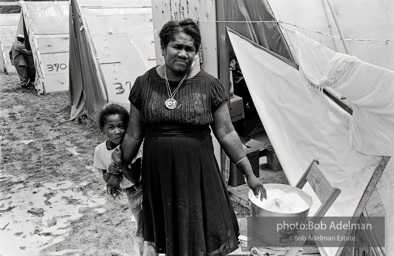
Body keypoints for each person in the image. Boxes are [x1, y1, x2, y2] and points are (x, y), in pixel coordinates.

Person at [117, 18, 267, 256]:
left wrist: (250, 174)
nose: (183, 53)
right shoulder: (144, 84)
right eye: (177, 46)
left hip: (198, 171)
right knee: (168, 230)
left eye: (190, 49)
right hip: (160, 172)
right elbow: (135, 133)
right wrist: (117, 165)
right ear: (163, 47)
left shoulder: (209, 86)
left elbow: (227, 133)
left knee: (204, 227)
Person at [93, 103, 145, 255]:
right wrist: (110, 170)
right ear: (103, 129)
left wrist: (121, 164)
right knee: (139, 224)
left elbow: (135, 178)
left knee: (144, 228)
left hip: (143, 190)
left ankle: (143, 251)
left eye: (121, 126)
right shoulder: (100, 150)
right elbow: (106, 179)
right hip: (130, 194)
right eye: (111, 127)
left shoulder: (132, 146)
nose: (117, 131)